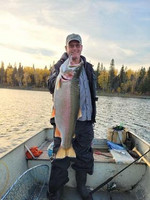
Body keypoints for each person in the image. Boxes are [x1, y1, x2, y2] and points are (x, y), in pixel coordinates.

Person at [47, 33, 97, 200]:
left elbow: (90, 92)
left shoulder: (88, 67)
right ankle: (57, 189)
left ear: (81, 47)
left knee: (84, 156)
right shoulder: (60, 67)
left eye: (77, 46)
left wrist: (90, 117)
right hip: (64, 119)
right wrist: (60, 74)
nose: (74, 49)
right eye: (71, 46)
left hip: (85, 121)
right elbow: (50, 84)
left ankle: (81, 186)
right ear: (66, 48)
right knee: (59, 158)